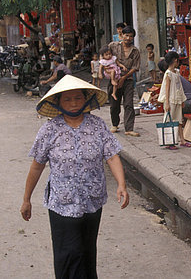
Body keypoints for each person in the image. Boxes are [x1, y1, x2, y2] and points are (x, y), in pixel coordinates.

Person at [20, 75, 129, 278]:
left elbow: (112, 156)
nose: (73, 103)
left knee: (87, 252)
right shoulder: (49, 130)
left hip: (92, 200)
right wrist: (26, 199)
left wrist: (121, 184)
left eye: (78, 98)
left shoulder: (97, 125)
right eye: (67, 99)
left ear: (86, 99)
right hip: (62, 203)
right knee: (69, 253)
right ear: (58, 102)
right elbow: (37, 167)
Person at [108, 26, 141, 137]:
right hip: (114, 79)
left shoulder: (135, 51)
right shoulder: (113, 46)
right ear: (122, 35)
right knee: (114, 104)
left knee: (128, 104)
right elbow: (105, 57)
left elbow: (135, 67)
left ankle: (129, 128)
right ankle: (115, 124)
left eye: (131, 36)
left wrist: (124, 77)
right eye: (126, 35)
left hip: (128, 80)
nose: (128, 38)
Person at [157, 51, 191, 149]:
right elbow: (166, 89)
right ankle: (169, 142)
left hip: (177, 99)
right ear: (175, 60)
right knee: (169, 121)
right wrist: (167, 103)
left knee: (179, 121)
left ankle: (182, 140)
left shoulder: (176, 72)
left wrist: (182, 100)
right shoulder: (168, 74)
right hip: (171, 100)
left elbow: (179, 87)